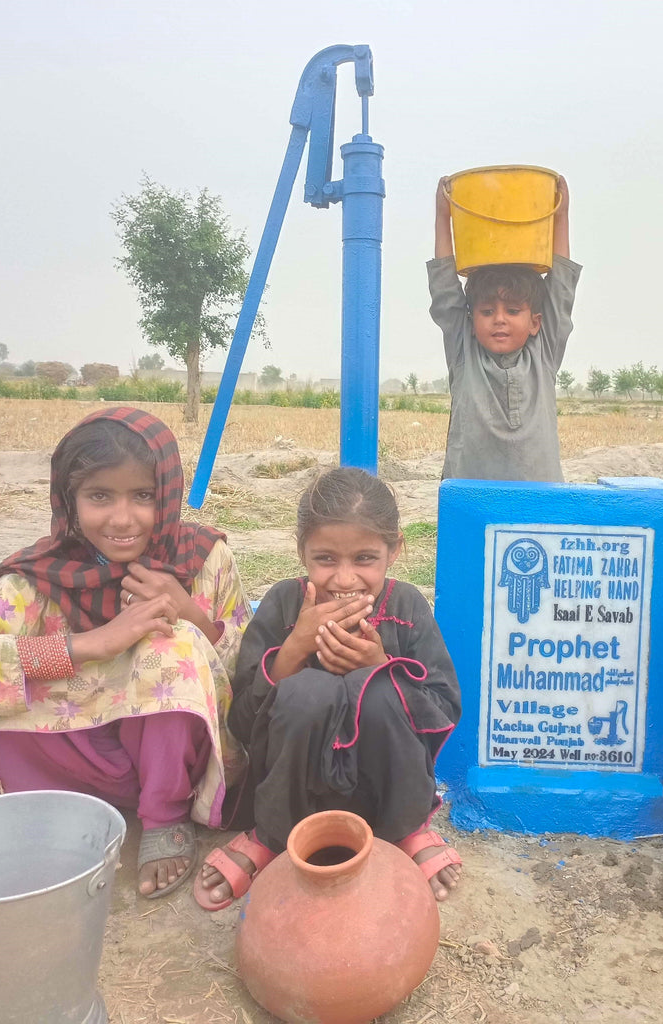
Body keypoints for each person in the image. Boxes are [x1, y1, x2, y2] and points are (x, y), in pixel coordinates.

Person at [0, 407, 251, 897]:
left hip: (176, 757)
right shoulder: (39, 577)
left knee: (168, 640)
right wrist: (92, 645)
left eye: (143, 496)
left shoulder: (203, 559)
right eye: (99, 496)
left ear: (168, 495)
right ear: (69, 502)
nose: (122, 518)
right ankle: (57, 809)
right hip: (81, 757)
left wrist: (192, 617)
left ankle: (163, 815)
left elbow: (252, 675)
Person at [196, 467, 462, 910]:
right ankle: (270, 836)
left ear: (394, 550)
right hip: (292, 791)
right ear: (302, 551)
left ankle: (407, 829)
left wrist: (381, 666)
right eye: (325, 559)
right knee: (307, 692)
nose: (343, 579)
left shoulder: (408, 607)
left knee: (375, 690)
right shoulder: (283, 604)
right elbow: (241, 721)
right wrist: (293, 651)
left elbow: (444, 711)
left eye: (364, 559)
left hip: (383, 788)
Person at [428, 173, 580, 482]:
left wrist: (561, 216)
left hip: (540, 502)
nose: (499, 319)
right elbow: (445, 289)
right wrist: (443, 216)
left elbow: (561, 289)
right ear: (471, 322)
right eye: (486, 311)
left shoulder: (543, 353)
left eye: (512, 310)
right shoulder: (464, 350)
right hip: (470, 499)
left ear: (535, 322)